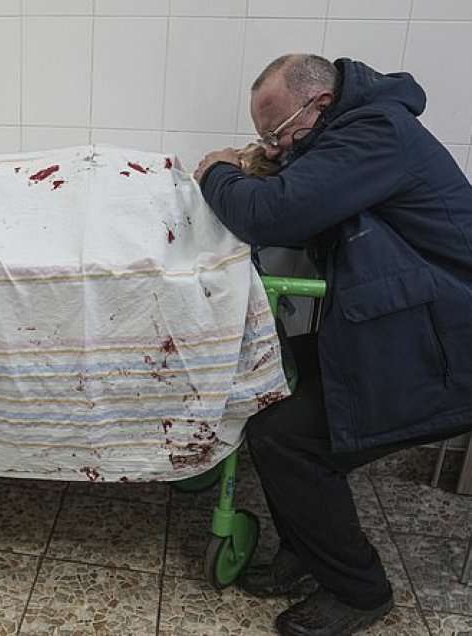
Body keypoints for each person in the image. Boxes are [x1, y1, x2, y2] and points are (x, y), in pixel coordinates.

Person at [193, 54, 472, 635]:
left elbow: (275, 216)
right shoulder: (355, 131)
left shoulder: (377, 133)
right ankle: (306, 550)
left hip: (447, 346)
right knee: (271, 377)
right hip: (414, 325)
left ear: (320, 104)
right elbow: (301, 199)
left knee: (287, 438)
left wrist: (217, 172)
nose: (272, 148)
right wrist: (266, 167)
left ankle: (360, 590)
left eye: (278, 132)